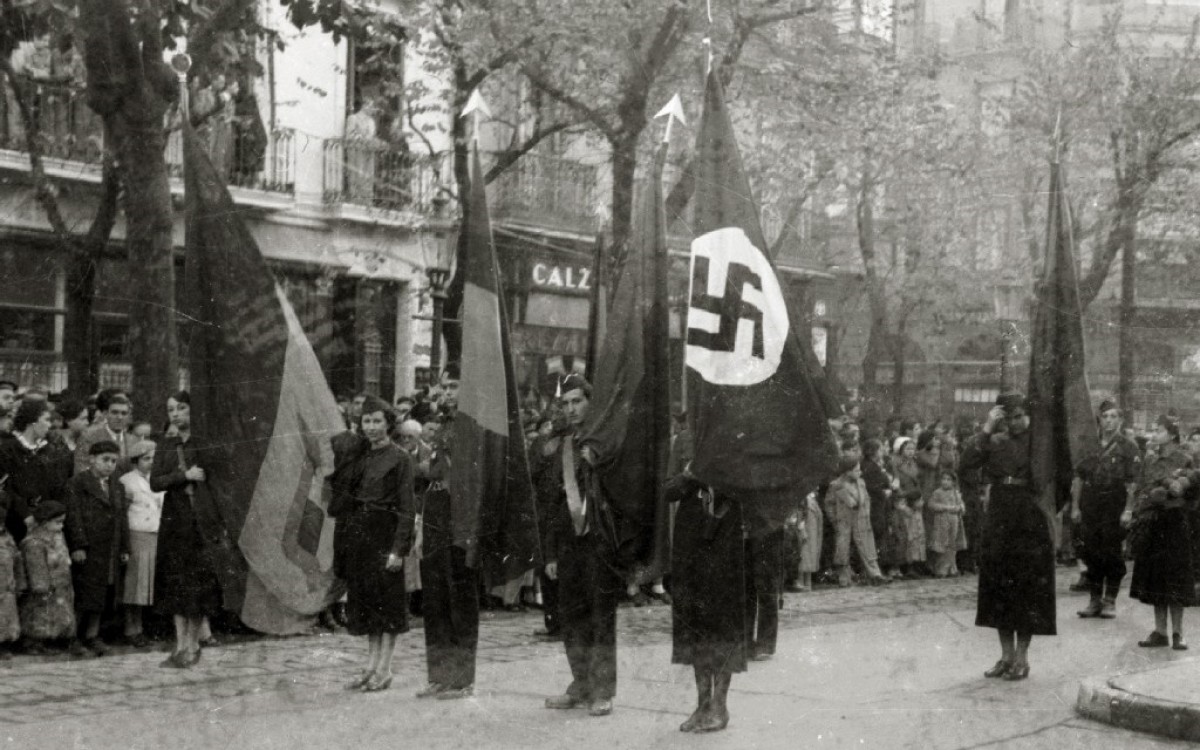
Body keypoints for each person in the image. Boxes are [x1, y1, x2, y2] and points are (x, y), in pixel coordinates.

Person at [959, 393, 1054, 681]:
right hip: (1000, 511)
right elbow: (967, 463)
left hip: (1028, 512)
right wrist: (987, 427)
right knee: (999, 583)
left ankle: (1022, 658)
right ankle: (1005, 656)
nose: (1016, 422)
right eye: (1009, 417)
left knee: (1025, 585)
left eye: (1020, 416)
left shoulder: (1038, 443)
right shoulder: (994, 441)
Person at [542, 374, 621, 717]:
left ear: (592, 403)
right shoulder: (562, 446)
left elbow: (621, 492)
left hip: (599, 541)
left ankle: (602, 690)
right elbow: (549, 502)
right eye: (567, 403)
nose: (572, 409)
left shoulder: (606, 442)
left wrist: (598, 462)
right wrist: (549, 552)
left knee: (601, 617)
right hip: (567, 543)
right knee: (571, 616)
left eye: (578, 401)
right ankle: (580, 683)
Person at [329, 395, 416, 692]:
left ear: (389, 424)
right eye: (367, 421)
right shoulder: (360, 458)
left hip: (385, 534)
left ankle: (385, 668)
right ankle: (369, 667)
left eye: (377, 421)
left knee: (388, 606)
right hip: (360, 537)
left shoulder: (401, 458)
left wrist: (398, 550)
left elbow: (407, 508)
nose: (372, 427)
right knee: (367, 605)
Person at [415, 366, 480, 700]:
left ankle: (463, 679)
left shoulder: (472, 427)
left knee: (461, 600)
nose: (448, 392)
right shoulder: (440, 427)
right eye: (444, 387)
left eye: (454, 385)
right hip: (437, 514)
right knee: (435, 599)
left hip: (461, 517)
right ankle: (440, 674)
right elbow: (434, 477)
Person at [667, 475, 744, 733]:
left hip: (726, 537)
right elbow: (668, 490)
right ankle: (702, 705)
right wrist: (690, 473)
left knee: (722, 623)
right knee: (695, 623)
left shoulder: (736, 444)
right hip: (690, 539)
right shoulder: (687, 443)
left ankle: (720, 707)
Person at [152, 391, 223, 669]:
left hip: (200, 522)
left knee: (198, 586)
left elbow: (218, 478)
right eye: (171, 410)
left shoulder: (203, 443)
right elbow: (156, 482)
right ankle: (179, 645)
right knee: (176, 584)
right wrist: (184, 476)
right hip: (174, 521)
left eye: (181, 408)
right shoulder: (166, 445)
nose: (176, 414)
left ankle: (193, 645)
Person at [1129, 415, 1194, 650]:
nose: (1154, 434)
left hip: (1175, 521)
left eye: (1158, 430)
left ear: (1171, 434)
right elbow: (1142, 486)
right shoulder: (1151, 459)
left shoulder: (1185, 459)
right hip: (1154, 521)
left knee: (1175, 577)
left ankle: (1178, 633)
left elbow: (1192, 490)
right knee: (1156, 578)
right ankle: (1160, 631)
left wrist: (1174, 491)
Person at [1071, 401, 1139, 619]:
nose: (1108, 420)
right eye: (1105, 416)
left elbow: (1133, 482)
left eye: (1113, 416)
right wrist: (1075, 507)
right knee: (1091, 552)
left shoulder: (1129, 447)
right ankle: (1094, 600)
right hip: (1091, 503)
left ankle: (1110, 600)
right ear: (1099, 419)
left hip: (1114, 502)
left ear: (1120, 419)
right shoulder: (1090, 445)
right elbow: (1079, 478)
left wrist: (1128, 510)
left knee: (1111, 553)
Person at [64, 439, 130, 657]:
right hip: (89, 549)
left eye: (113, 461)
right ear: (91, 459)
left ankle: (93, 635)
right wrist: (78, 545)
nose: (110, 465)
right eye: (105, 460)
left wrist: (124, 548)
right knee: (84, 594)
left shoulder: (117, 487)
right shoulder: (78, 483)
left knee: (103, 593)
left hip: (109, 548)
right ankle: (72, 637)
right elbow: (74, 517)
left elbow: (122, 519)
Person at [0, 399, 71, 541]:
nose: (49, 425)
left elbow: (57, 485)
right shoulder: (7, 449)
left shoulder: (49, 449)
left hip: (45, 520)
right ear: (33, 422)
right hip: (15, 521)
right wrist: (26, 514)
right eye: (46, 420)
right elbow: (7, 487)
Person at [119, 440, 163, 647]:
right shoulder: (127, 481)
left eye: (154, 458)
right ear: (136, 461)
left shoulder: (159, 479)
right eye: (146, 459)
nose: (151, 463)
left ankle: (146, 628)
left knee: (149, 585)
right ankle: (131, 628)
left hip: (156, 536)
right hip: (136, 536)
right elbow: (122, 513)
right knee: (135, 585)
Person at [17, 501, 74, 653]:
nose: (61, 526)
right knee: (39, 613)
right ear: (44, 521)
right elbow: (37, 567)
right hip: (44, 587)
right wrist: (41, 585)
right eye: (57, 522)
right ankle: (33, 642)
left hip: (59, 584)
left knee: (54, 612)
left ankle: (50, 640)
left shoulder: (57, 537)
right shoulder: (34, 542)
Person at [827, 458, 887, 587]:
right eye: (856, 470)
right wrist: (834, 520)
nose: (860, 472)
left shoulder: (861, 483)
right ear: (847, 471)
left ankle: (875, 574)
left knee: (867, 546)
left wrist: (866, 512)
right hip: (844, 520)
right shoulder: (836, 485)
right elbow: (829, 504)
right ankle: (844, 577)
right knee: (843, 548)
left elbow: (867, 499)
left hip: (861, 519)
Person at [74, 393, 137, 475]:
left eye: (124, 413)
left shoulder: (134, 440)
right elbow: (81, 470)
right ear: (106, 414)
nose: (119, 417)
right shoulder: (89, 438)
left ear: (129, 416)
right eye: (115, 412)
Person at [927, 471, 966, 577]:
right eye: (943, 479)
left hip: (954, 520)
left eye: (948, 480)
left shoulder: (955, 492)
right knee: (942, 543)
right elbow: (931, 504)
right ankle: (941, 569)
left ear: (953, 482)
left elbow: (961, 504)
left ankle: (952, 568)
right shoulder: (937, 493)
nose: (945, 482)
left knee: (952, 543)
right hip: (942, 521)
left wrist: (960, 507)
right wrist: (945, 507)